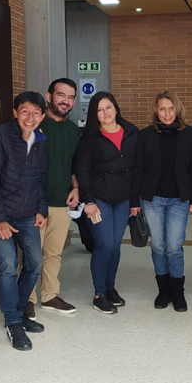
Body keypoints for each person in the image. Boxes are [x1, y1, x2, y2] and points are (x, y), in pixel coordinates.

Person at [0, 91, 48, 351]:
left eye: (35, 113)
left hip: (28, 215)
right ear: (14, 112)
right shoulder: (0, 136)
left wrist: (41, 209)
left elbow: (40, 179)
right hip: (3, 215)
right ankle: (12, 323)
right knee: (8, 265)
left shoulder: (41, 139)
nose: (30, 117)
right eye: (24, 111)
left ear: (43, 116)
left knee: (34, 264)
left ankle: (20, 313)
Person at [131, 91, 192, 312]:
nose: (167, 113)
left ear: (177, 109)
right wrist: (134, 201)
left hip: (180, 199)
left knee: (174, 247)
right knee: (158, 246)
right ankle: (164, 290)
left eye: (171, 108)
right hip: (152, 199)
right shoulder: (146, 135)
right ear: (156, 111)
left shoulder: (189, 134)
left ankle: (178, 292)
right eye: (162, 109)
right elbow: (138, 170)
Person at [76, 92, 138, 314]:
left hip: (123, 199)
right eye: (100, 110)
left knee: (115, 245)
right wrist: (89, 201)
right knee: (104, 244)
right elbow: (82, 169)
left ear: (115, 108)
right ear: (94, 114)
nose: (105, 113)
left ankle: (110, 287)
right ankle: (98, 293)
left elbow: (137, 168)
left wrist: (134, 200)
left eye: (109, 107)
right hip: (99, 199)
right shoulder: (90, 137)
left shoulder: (131, 132)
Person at [27, 78, 80, 319]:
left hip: (62, 202)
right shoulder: (34, 125)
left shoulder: (72, 129)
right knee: (31, 254)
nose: (65, 101)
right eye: (61, 95)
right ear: (49, 96)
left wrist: (76, 188)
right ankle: (26, 298)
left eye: (70, 97)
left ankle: (49, 296)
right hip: (35, 203)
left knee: (54, 253)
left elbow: (75, 164)